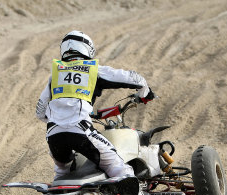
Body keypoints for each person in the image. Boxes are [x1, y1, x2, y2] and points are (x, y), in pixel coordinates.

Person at [36, 30, 155, 180]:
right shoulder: (93, 69)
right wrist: (145, 91)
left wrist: (60, 118)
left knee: (62, 172)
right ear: (87, 49)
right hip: (80, 131)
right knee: (119, 168)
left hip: (53, 134)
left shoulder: (55, 75)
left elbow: (40, 111)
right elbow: (133, 78)